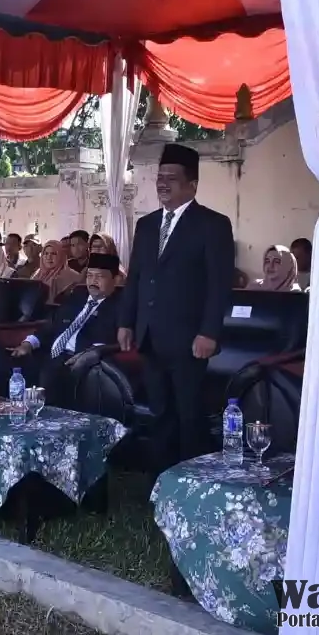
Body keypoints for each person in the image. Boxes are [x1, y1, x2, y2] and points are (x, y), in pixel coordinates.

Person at [119, 143, 235, 468]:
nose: (163, 184)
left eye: (171, 178)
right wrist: (126, 321)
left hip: (189, 341)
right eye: (160, 177)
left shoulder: (212, 225)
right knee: (160, 414)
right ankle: (162, 479)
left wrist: (209, 332)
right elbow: (136, 277)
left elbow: (219, 285)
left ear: (192, 185)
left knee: (189, 416)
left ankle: (193, 482)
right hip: (150, 337)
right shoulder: (147, 225)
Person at [11, 253, 123, 408]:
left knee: (51, 373)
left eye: (100, 276)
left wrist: (89, 354)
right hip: (50, 352)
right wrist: (28, 343)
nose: (93, 281)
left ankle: (46, 419)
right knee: (12, 363)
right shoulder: (78, 296)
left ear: (115, 280)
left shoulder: (120, 307)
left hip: (77, 359)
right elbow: (51, 324)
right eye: (90, 275)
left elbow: (115, 341)